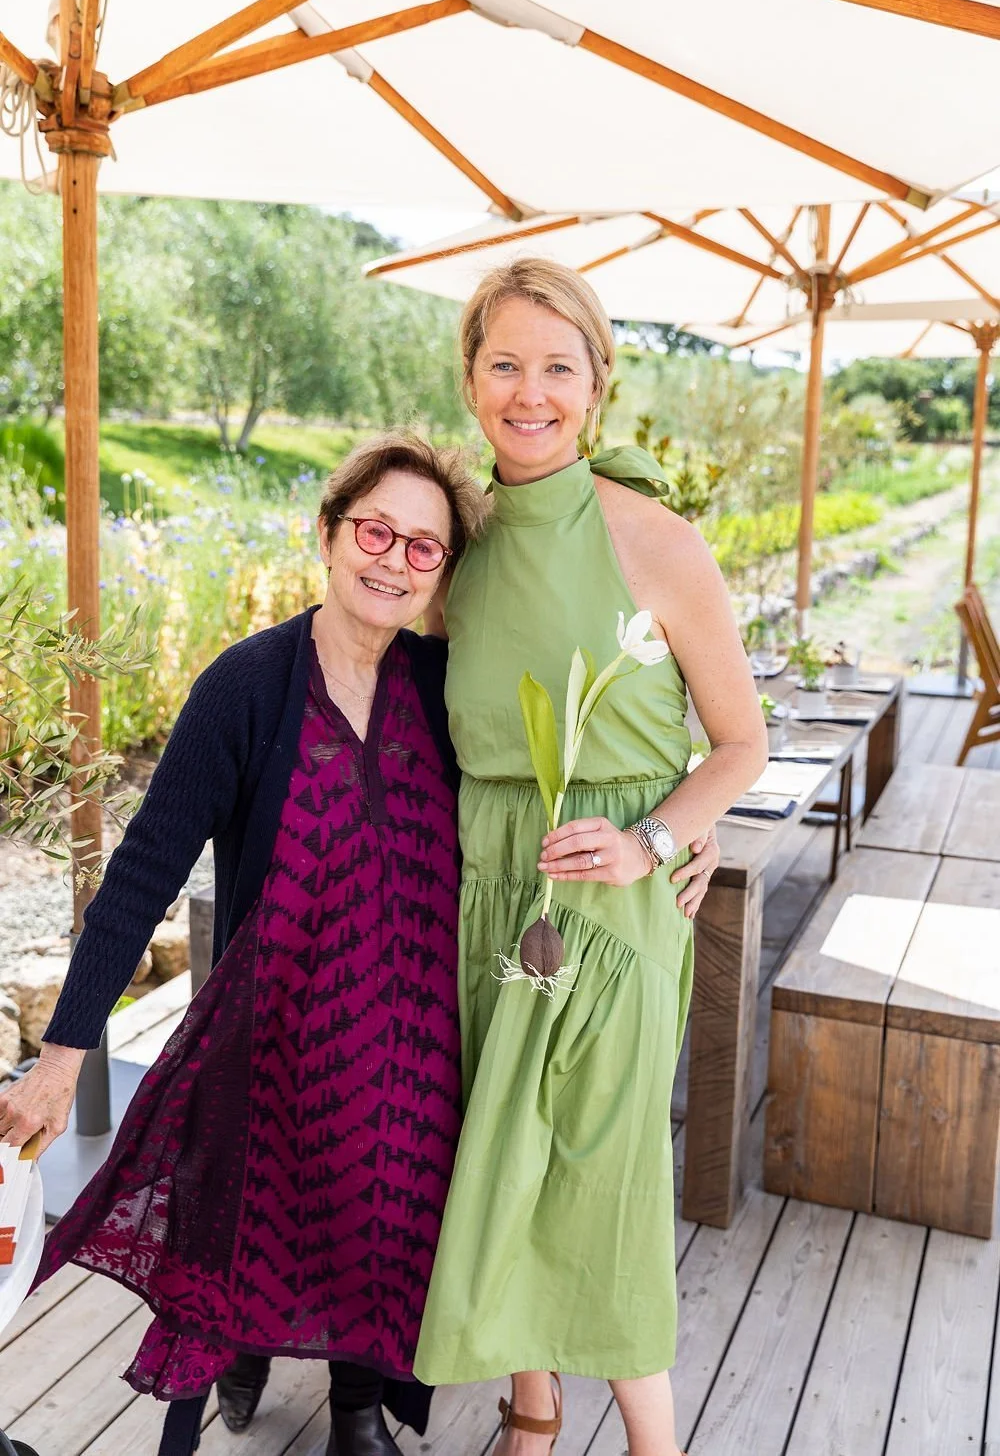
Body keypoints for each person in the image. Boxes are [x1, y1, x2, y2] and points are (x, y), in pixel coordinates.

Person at [0, 433, 486, 1456]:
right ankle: (248, 1347)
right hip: (273, 1037)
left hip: (410, 1038)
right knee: (246, 1232)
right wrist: (60, 1060)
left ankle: (357, 1406)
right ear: (328, 532)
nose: (393, 560)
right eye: (375, 531)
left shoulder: (449, 691)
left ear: (443, 570)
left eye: (423, 547)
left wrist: (676, 831)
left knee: (386, 1226)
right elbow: (142, 873)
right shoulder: (248, 686)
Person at [413, 259, 765, 1456]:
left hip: (613, 897)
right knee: (498, 1147)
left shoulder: (655, 539)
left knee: (602, 1164)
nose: (530, 391)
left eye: (557, 367)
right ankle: (529, 1410)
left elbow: (740, 740)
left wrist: (659, 835)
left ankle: (651, 1442)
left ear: (596, 383)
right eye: (504, 363)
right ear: (469, 380)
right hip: (485, 881)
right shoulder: (454, 539)